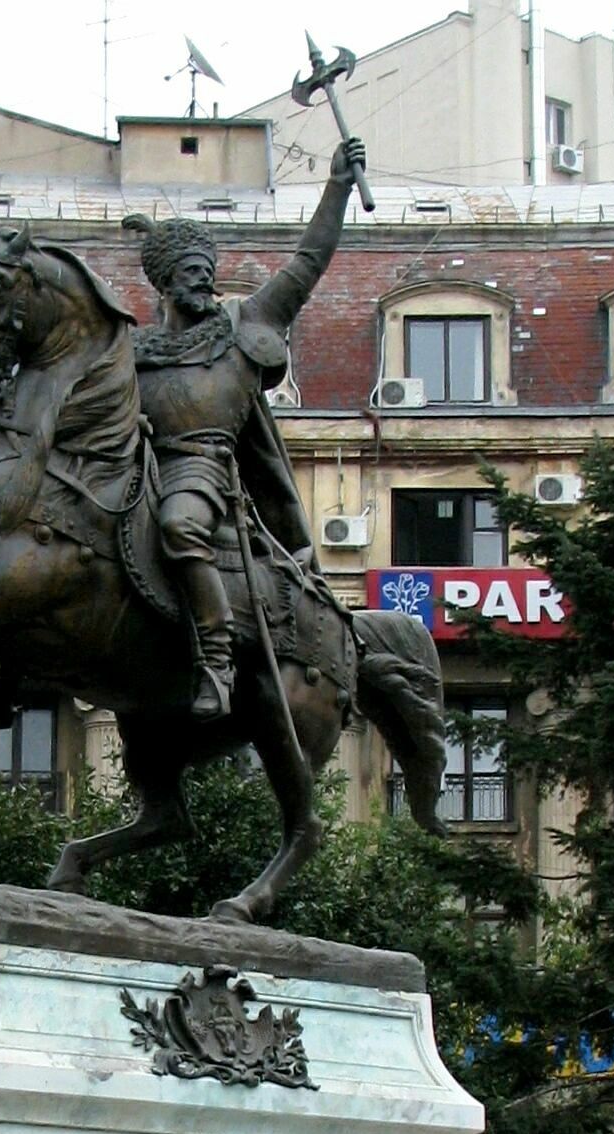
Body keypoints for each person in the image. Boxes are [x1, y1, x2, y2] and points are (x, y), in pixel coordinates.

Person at [122, 137, 365, 719]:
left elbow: (307, 263)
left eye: (208, 274)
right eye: (192, 274)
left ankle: (216, 659)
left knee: (181, 526)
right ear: (165, 283)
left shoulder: (244, 325)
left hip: (201, 467)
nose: (204, 284)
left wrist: (337, 188)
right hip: (134, 466)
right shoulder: (133, 347)